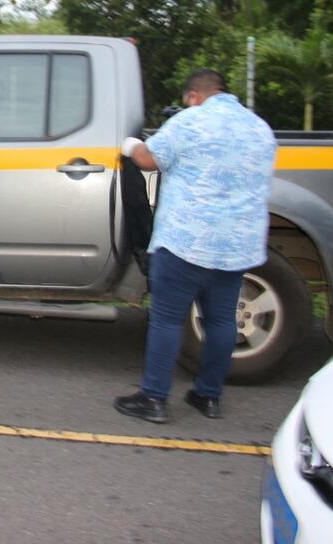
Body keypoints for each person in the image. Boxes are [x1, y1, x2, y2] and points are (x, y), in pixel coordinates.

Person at [114, 69, 277, 424]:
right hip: (236, 245)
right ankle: (208, 396)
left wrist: (128, 144)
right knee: (220, 321)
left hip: (187, 241)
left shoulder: (191, 121)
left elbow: (147, 159)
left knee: (167, 319)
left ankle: (154, 398)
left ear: (193, 96)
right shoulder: (259, 129)